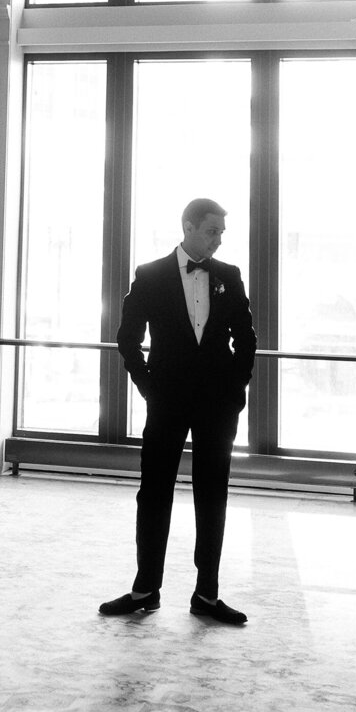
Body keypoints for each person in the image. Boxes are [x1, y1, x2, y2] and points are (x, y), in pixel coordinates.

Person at [100, 197, 256, 626]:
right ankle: (145, 590)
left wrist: (235, 390)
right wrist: (149, 387)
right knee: (154, 493)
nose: (219, 240)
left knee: (213, 496)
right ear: (188, 227)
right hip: (167, 400)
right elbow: (127, 338)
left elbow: (246, 339)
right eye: (212, 231)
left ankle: (207, 594)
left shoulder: (229, 276)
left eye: (222, 232)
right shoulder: (150, 276)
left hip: (217, 405)